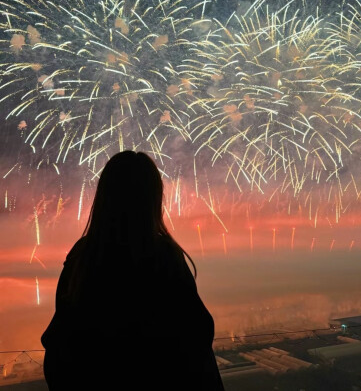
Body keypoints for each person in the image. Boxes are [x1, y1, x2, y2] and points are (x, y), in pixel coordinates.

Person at [41, 150, 225, 390]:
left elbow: (61, 344)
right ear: (153, 197)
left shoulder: (83, 257)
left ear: (104, 196)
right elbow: (196, 336)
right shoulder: (164, 257)